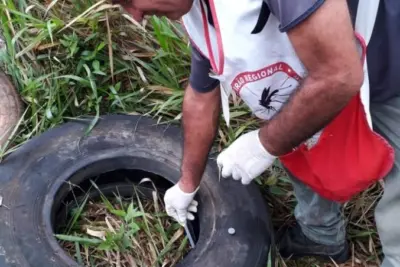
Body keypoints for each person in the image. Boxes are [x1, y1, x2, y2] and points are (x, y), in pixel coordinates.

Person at [120, 0, 400, 266]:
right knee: (296, 133)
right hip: (314, 79)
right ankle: (321, 236)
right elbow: (202, 96)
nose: (135, 16)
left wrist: (264, 144)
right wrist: (187, 183)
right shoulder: (198, 12)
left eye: (129, 0)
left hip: (387, 62)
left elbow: (338, 75)